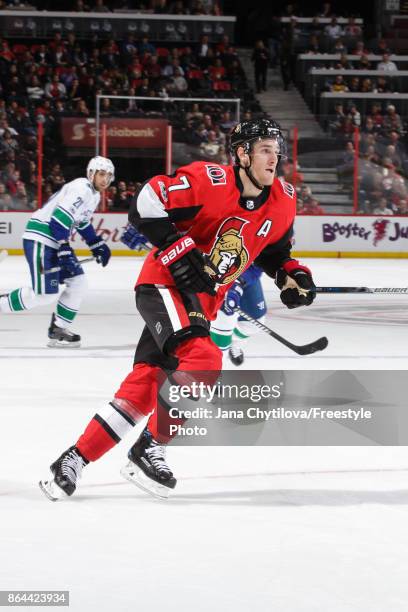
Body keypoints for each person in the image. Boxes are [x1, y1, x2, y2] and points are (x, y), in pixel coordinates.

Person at [39, 118, 317, 501]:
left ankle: (73, 459)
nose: (275, 157)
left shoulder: (283, 199)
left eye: (276, 149)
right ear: (242, 153)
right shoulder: (211, 181)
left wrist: (292, 275)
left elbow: (274, 251)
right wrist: (179, 249)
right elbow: (147, 201)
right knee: (204, 358)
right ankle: (149, 448)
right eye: (265, 149)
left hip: (200, 304)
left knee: (144, 388)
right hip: (163, 286)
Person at [0, 156, 114, 347]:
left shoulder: (94, 195)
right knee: (44, 295)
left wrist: (96, 243)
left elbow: (81, 222)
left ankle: (58, 329)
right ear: (91, 173)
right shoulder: (82, 188)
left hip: (54, 240)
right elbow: (59, 219)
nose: (105, 179)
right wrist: (64, 248)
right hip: (42, 238)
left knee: (78, 282)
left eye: (109, 176)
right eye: (102, 174)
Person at [210, 264, 266, 366]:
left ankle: (234, 342)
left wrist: (240, 280)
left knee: (254, 324)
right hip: (212, 272)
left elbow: (267, 258)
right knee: (223, 322)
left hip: (247, 270)